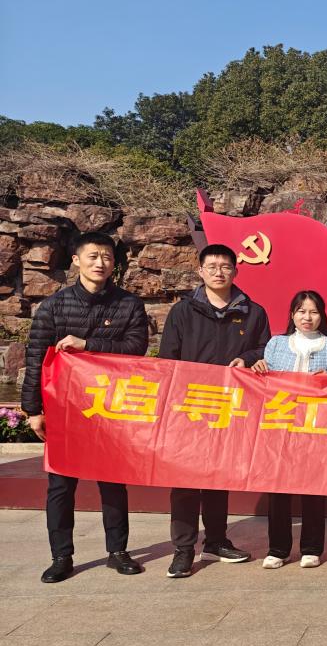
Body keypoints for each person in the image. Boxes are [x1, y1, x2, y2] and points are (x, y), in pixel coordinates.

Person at [23, 231, 150, 583]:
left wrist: (88, 343)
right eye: (93, 256)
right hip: (65, 409)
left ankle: (118, 551)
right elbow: (35, 360)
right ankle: (61, 556)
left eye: (106, 257)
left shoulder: (129, 304)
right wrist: (33, 410)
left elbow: (136, 347)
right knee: (61, 487)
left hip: (110, 408)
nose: (100, 263)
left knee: (113, 483)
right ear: (76, 260)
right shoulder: (53, 307)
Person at [158, 243, 271, 578]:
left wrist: (247, 359)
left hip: (230, 407)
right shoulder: (183, 312)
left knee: (219, 476)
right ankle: (183, 549)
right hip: (189, 407)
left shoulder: (253, 311)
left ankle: (216, 540)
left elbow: (265, 348)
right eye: (212, 266)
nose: (219, 272)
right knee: (185, 481)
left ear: (235, 271)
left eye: (225, 266)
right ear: (200, 271)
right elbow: (168, 358)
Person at [253, 290, 327, 569]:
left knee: (313, 489)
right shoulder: (276, 344)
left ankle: (311, 548)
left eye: (314, 312)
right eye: (301, 311)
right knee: (278, 490)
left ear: (322, 315)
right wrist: (258, 367)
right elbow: (265, 380)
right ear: (292, 314)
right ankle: (278, 549)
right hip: (280, 425)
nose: (307, 317)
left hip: (316, 427)